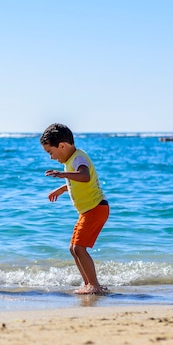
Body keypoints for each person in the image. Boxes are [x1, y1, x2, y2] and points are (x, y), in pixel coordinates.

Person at [41, 123, 109, 295]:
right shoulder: (71, 161)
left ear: (62, 146)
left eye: (51, 152)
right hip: (88, 210)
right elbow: (75, 181)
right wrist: (62, 188)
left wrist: (62, 174)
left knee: (79, 248)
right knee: (73, 248)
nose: (51, 157)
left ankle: (94, 285)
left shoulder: (78, 158)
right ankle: (88, 284)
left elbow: (84, 176)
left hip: (95, 208)